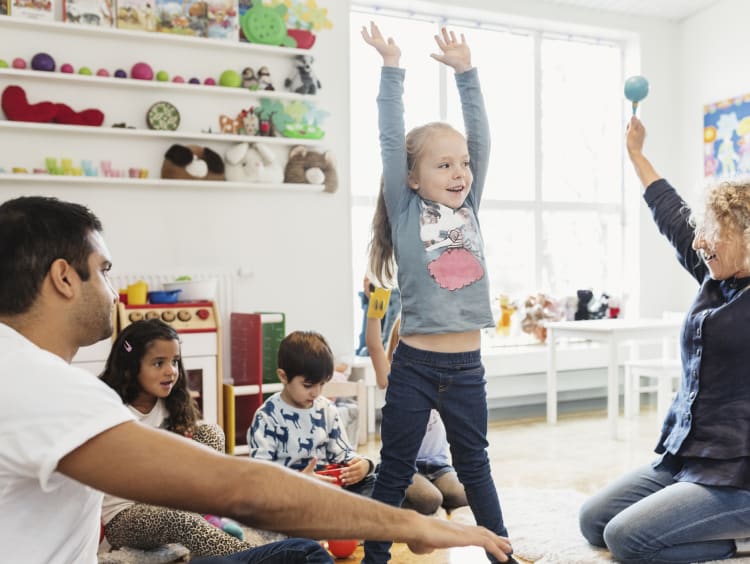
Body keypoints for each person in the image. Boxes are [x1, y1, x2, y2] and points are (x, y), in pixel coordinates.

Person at [0, 195, 512, 564]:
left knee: (300, 553)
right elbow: (243, 489)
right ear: (65, 278)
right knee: (304, 557)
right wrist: (415, 524)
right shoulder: (39, 385)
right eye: (104, 270)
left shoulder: (22, 369)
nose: (112, 289)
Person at [361, 23, 515, 564]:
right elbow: (389, 134)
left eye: (464, 164)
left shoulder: (469, 210)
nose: (459, 172)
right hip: (415, 368)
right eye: (443, 164)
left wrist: (467, 73)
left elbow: (483, 139)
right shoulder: (407, 214)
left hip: (467, 368)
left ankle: (502, 552)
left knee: (475, 465)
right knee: (396, 466)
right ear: (411, 177)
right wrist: (391, 67)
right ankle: (375, 555)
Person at [578, 116, 750, 563]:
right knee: (594, 521)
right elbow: (672, 218)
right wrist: (638, 156)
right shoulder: (715, 281)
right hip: (689, 457)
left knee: (628, 540)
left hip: (739, 473)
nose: (698, 242)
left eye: (710, 229)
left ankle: (741, 540)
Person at [99, 318, 255, 556]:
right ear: (131, 367)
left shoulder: (169, 402)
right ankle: (252, 557)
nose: (171, 371)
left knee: (210, 433)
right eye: (158, 363)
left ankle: (206, 523)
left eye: (175, 361)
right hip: (125, 516)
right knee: (181, 519)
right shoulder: (113, 411)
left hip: (170, 497)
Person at [365, 285, 468, 515]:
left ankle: (424, 495)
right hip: (405, 466)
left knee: (461, 495)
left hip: (438, 465)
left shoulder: (440, 376)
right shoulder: (392, 379)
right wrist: (376, 302)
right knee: (430, 500)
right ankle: (384, 492)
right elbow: (373, 346)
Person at [248, 330, 376, 497]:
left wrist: (363, 465)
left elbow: (343, 453)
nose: (316, 393)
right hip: (290, 492)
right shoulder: (266, 417)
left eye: (321, 384)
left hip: (328, 488)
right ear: (283, 376)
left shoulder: (327, 409)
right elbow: (260, 474)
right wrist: (299, 482)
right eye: (308, 385)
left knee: (377, 480)